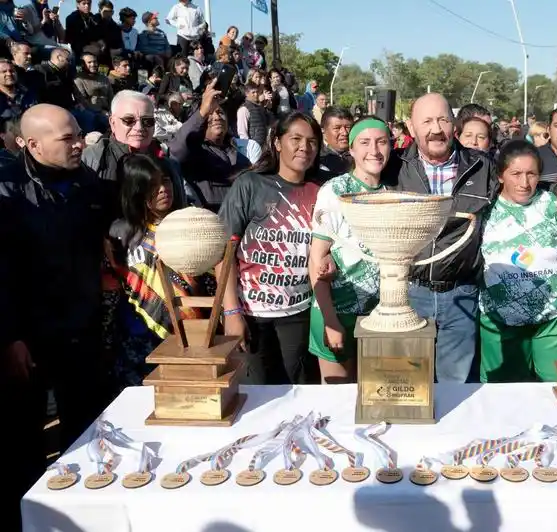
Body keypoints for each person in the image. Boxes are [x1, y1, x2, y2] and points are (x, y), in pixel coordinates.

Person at [0, 103, 114, 481]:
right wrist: (10, 337)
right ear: (32, 144)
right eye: (68, 138)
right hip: (28, 338)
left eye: (79, 135)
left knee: (86, 428)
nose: (79, 144)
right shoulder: (7, 190)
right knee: (24, 441)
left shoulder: (89, 185)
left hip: (82, 327)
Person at [387, 93, 498, 383]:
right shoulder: (394, 167)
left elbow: (520, 190)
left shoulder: (483, 167)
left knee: (455, 386)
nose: (436, 128)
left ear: (454, 125)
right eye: (426, 121)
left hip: (460, 295)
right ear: (411, 128)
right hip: (408, 293)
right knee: (408, 386)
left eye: (442, 119)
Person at [217, 112, 323, 385]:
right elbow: (223, 253)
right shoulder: (250, 184)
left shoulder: (320, 192)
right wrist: (231, 312)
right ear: (277, 143)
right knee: (257, 396)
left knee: (297, 390)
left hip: (298, 313)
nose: (304, 147)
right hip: (251, 313)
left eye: (312, 141)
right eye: (295, 139)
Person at [479, 140, 557, 383]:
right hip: (500, 325)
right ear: (500, 175)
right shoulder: (483, 210)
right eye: (515, 174)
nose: (524, 182)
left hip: (553, 323)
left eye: (531, 174)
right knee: (503, 402)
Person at [108, 153, 215, 387]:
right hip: (138, 334)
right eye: (152, 186)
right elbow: (112, 283)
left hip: (191, 331)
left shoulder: (190, 223)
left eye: (166, 181)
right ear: (136, 191)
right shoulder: (118, 233)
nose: (162, 190)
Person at [309, 117, 390, 383]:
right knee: (337, 402)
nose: (374, 150)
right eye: (365, 143)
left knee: (373, 399)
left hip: (376, 318)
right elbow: (316, 259)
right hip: (336, 312)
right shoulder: (335, 190)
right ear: (352, 149)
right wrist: (331, 323)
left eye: (381, 142)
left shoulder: (391, 194)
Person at [168, 79, 250, 211]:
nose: (217, 117)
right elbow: (176, 150)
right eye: (210, 114)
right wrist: (202, 112)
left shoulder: (241, 158)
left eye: (220, 113)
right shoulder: (194, 153)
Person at [318, 106, 353, 182]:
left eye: (348, 127)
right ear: (323, 130)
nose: (344, 133)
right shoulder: (316, 157)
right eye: (337, 128)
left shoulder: (358, 154)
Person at [237, 81, 270, 147]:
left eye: (257, 92)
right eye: (253, 92)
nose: (256, 94)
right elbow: (242, 133)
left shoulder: (260, 107)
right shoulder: (244, 109)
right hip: (253, 147)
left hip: (263, 146)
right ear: (246, 93)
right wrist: (248, 149)